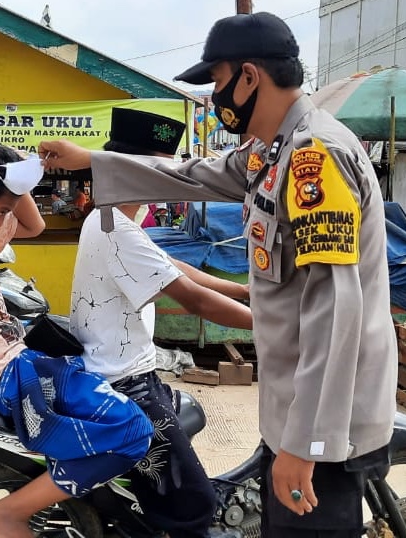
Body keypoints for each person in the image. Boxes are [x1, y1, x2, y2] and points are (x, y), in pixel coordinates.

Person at [42, 11, 398, 538]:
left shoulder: (313, 158)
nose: (214, 97)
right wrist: (89, 162)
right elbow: (191, 174)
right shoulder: (272, 151)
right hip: (295, 404)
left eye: (218, 82)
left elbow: (333, 308)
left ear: (250, 76)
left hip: (327, 419)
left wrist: (306, 443)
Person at [0, 139, 153, 538]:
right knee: (133, 431)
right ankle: (6, 513)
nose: (1, 220)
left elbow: (34, 225)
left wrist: (20, 171)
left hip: (14, 359)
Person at [72, 110, 251, 537]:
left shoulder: (113, 216)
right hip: (124, 385)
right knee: (195, 505)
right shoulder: (118, 228)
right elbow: (191, 298)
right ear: (132, 171)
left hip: (129, 372)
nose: (166, 180)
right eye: (159, 171)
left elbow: (173, 266)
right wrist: (271, 326)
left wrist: (245, 293)